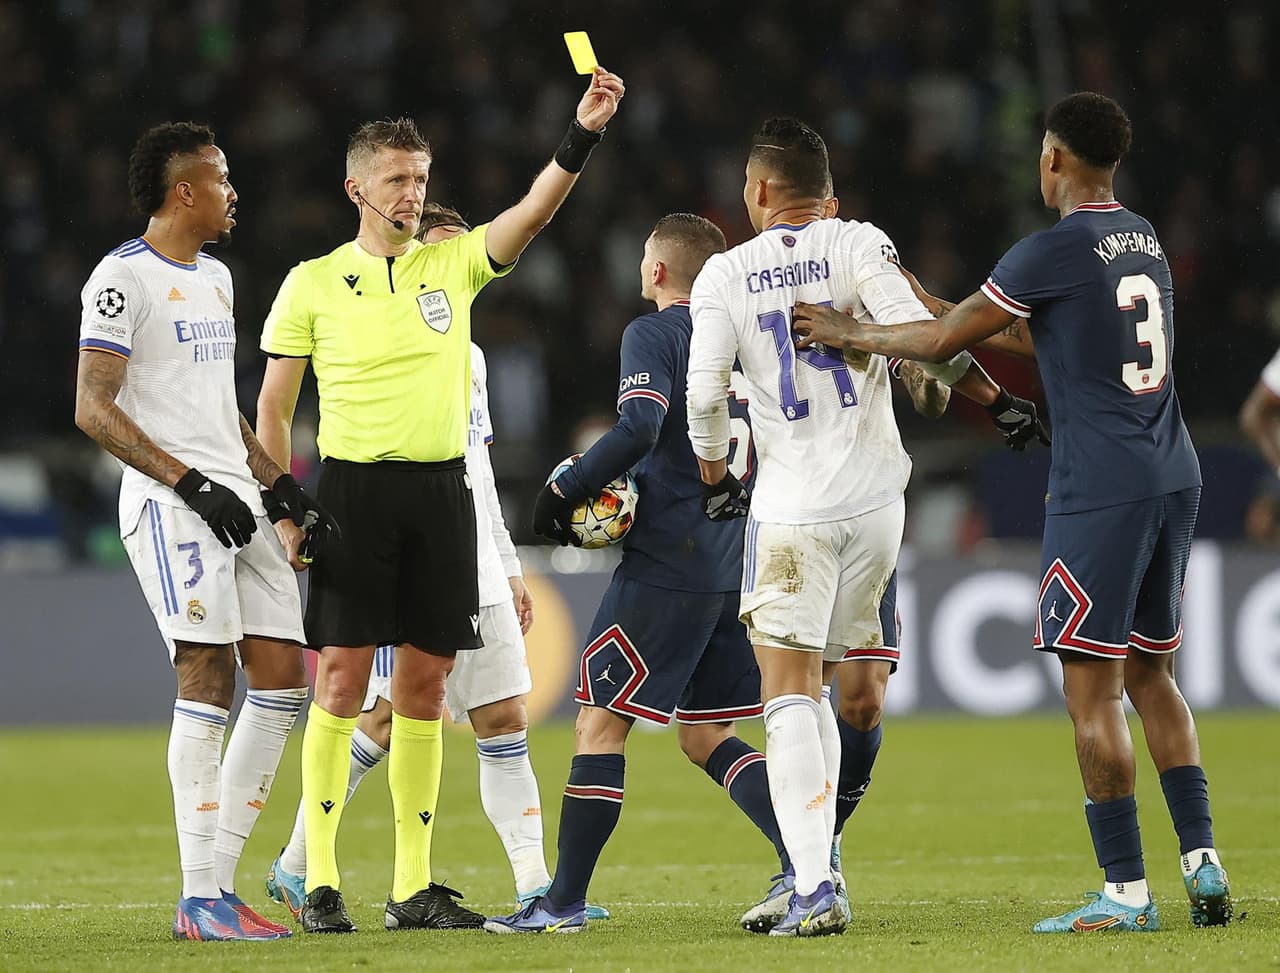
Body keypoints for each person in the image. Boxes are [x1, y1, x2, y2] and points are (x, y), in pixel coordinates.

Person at [791, 92, 1232, 932]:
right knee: (1152, 674)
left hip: (1101, 489)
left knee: (1092, 692)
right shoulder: (1143, 241)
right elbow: (1051, 334)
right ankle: (1203, 864)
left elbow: (939, 342)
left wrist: (853, 331)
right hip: (1175, 471)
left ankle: (1126, 893)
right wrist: (932, 300)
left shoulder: (1049, 248)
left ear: (1055, 160)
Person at [255, 68, 625, 934]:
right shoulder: (310, 283)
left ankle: (411, 887)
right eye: (397, 179)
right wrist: (284, 501)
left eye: (421, 178)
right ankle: (317, 879)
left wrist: (582, 134)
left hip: (440, 495)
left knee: (423, 688)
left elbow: (532, 212)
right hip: (349, 493)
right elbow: (273, 407)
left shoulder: (452, 267)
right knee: (342, 681)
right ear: (357, 188)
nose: (412, 193)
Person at [684, 117, 1044, 937]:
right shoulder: (858, 245)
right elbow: (927, 338)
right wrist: (994, 400)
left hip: (793, 512)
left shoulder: (724, 274)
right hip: (880, 506)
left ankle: (814, 882)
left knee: (789, 692)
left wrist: (712, 473)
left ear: (761, 190)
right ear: (826, 191)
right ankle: (817, 869)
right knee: (845, 686)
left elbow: (706, 397)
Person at [484, 212, 779, 934]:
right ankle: (810, 863)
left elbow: (640, 426)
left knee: (598, 724)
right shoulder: (752, 335)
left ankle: (562, 902)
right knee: (705, 734)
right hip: (738, 558)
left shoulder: (656, 332)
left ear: (655, 271)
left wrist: (565, 490)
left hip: (668, 561)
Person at [73, 122, 332, 941]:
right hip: (171, 504)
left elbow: (218, 411)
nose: (232, 192)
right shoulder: (122, 280)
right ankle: (198, 895)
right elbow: (92, 408)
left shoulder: (216, 279)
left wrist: (279, 485)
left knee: (285, 679)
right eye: (220, 180)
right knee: (207, 672)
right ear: (183, 191)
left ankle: (217, 884)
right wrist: (187, 481)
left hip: (236, 497)